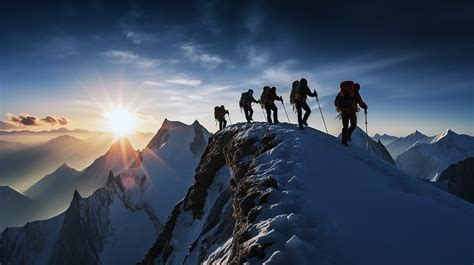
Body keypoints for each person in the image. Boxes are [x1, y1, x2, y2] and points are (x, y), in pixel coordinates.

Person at [334, 81, 368, 146]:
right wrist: (365, 107)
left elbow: (336, 102)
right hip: (351, 112)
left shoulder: (341, 93)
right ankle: (347, 136)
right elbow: (360, 103)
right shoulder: (355, 93)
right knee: (353, 125)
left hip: (343, 111)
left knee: (345, 126)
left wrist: (341, 107)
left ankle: (344, 141)